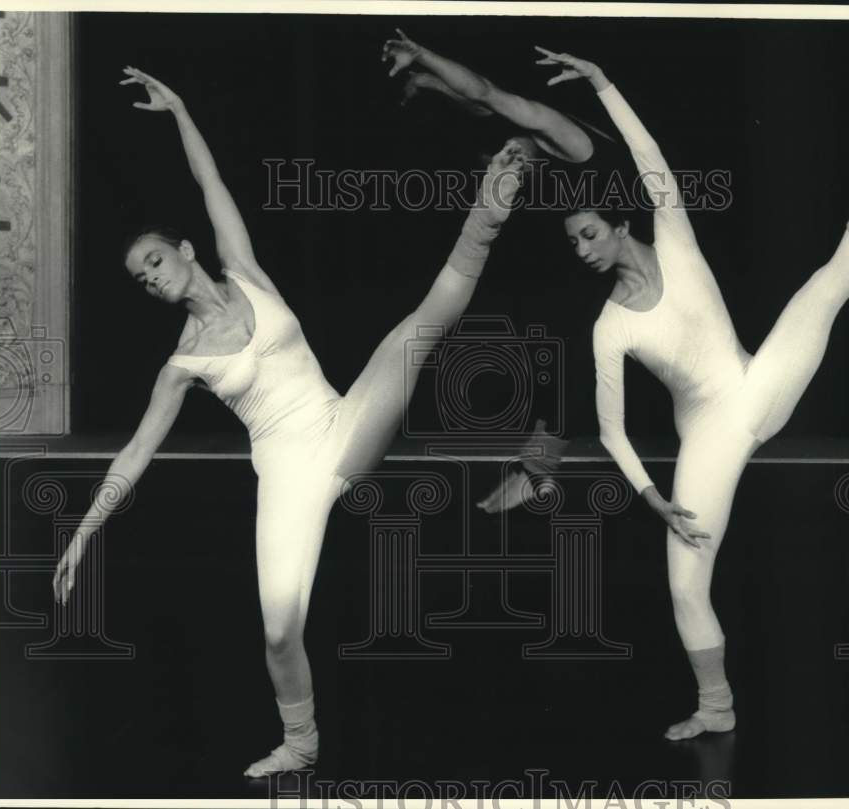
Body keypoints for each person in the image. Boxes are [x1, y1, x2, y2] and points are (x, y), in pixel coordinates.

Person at [52, 66, 526, 776]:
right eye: (140, 277)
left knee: (413, 332)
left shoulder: (242, 268)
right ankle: (301, 743)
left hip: (342, 421)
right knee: (278, 631)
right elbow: (135, 452)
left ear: (183, 251)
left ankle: (489, 208)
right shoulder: (183, 363)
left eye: (155, 259)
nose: (151, 276)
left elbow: (212, 185)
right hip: (286, 473)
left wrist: (180, 108)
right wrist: (83, 532)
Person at [487, 48, 849, 740]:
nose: (582, 249)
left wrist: (603, 79)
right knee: (685, 584)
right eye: (572, 242)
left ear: (622, 223)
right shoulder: (609, 328)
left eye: (590, 232)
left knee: (828, 284)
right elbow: (614, 431)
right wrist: (653, 498)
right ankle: (716, 707)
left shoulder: (675, 237)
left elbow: (647, 152)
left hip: (759, 385)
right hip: (712, 434)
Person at [381, 28, 602, 165]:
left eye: (505, 157)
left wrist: (421, 56)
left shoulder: (575, 147)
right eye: (518, 169)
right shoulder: (573, 148)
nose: (511, 160)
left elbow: (485, 94)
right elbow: (484, 102)